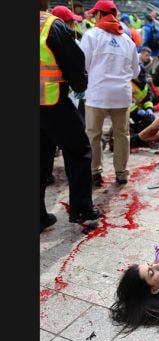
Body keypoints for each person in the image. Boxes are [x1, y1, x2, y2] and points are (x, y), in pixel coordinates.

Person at [40, 0, 100, 232]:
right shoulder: (51, 25)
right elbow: (74, 62)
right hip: (52, 102)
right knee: (79, 150)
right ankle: (81, 209)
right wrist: (79, 84)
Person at [79, 0, 140, 186]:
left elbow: (83, 65)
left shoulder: (91, 36)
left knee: (93, 135)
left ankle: (95, 172)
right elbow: (136, 72)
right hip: (121, 95)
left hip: (97, 94)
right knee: (122, 135)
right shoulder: (127, 41)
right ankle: (121, 174)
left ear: (98, 15)